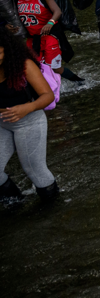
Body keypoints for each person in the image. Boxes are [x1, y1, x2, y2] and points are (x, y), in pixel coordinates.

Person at [0, 27, 59, 204]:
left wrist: (27, 108)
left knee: (33, 169)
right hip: (2, 124)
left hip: (29, 121)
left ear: (6, 48)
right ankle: (15, 204)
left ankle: (53, 207)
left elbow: (47, 96)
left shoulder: (23, 65)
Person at [12, 0, 64, 74]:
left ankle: (79, 81)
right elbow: (13, 17)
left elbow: (57, 11)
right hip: (32, 39)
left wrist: (50, 23)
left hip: (49, 36)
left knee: (54, 68)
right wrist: (10, 26)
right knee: (33, 68)